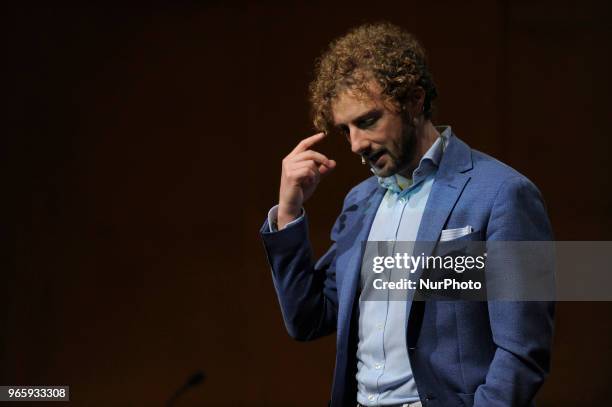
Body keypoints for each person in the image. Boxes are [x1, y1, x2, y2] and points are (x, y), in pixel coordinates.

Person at [260, 22, 554, 407]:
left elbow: (523, 351)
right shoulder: (360, 202)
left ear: (415, 101)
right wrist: (289, 210)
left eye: (367, 121)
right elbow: (309, 318)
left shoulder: (503, 194)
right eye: (344, 130)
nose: (355, 145)